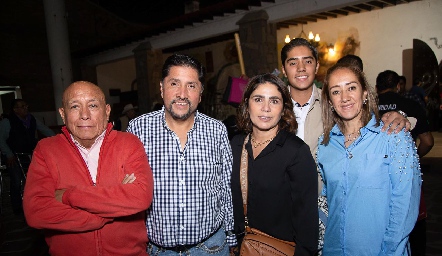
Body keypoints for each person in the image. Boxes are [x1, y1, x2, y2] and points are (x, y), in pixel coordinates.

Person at [280, 38, 411, 252]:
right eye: (293, 62)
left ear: (317, 66)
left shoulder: (331, 107)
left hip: (328, 213)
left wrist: (402, 117)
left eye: (307, 61)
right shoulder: (273, 106)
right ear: (284, 69)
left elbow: (378, 124)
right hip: (285, 207)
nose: (301, 68)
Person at [23, 81, 154, 255]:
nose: (84, 115)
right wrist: (110, 211)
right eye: (75, 106)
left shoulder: (129, 144)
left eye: (92, 105)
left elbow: (140, 197)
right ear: (63, 113)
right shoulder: (46, 150)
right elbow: (36, 211)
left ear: (107, 111)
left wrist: (68, 196)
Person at [127, 54, 235, 255]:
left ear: (200, 93)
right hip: (158, 250)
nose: (182, 94)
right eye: (175, 83)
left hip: (210, 247)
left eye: (191, 86)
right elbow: (127, 187)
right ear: (162, 88)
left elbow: (225, 187)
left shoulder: (217, 130)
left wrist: (231, 237)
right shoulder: (138, 129)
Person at [317, 63, 421, 255]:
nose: (345, 97)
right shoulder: (325, 146)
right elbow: (329, 201)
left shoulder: (394, 136)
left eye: (351, 88)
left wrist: (390, 251)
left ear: (365, 93)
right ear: (329, 101)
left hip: (380, 250)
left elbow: (405, 206)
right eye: (336, 91)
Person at [230, 73, 318, 255]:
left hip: (281, 250)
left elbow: (307, 222)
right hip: (242, 249)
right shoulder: (235, 145)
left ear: (283, 108)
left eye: (274, 101)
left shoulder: (296, 152)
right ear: (247, 104)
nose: (266, 108)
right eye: (258, 99)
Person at [376, 70, 434, 256]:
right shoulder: (411, 105)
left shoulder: (368, 107)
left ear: (376, 88)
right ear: (399, 85)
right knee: (413, 225)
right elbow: (428, 141)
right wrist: (412, 159)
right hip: (406, 182)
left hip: (376, 182)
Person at [0, 99, 55, 215]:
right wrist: (8, 154)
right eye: (22, 106)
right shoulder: (7, 122)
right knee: (16, 180)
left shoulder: (31, 119)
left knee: (32, 180)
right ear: (15, 110)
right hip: (14, 156)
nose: (26, 108)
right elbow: (1, 140)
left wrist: (58, 138)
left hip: (29, 154)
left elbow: (45, 130)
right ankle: (17, 206)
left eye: (26, 106)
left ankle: (34, 203)